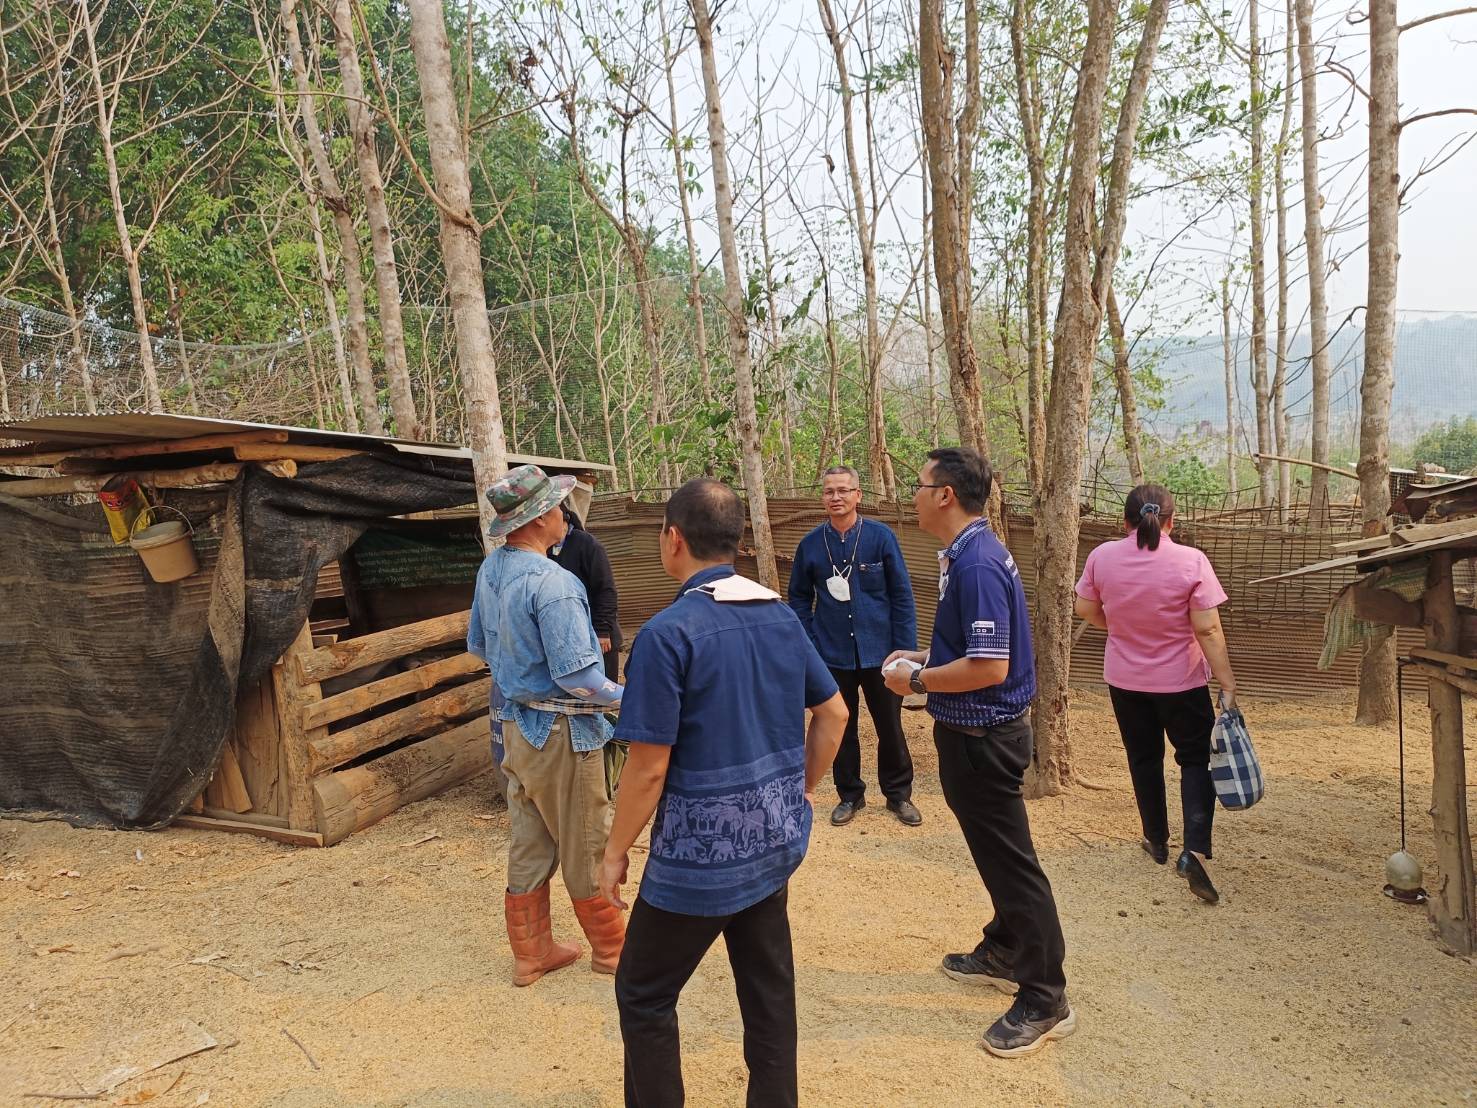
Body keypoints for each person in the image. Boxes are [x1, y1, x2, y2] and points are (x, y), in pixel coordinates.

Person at [599, 478, 848, 1108]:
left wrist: (614, 850)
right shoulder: (781, 617)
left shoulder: (667, 633)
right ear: (735, 541)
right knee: (769, 990)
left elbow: (649, 768)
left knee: (644, 991)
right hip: (772, 844)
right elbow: (835, 714)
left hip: (699, 862)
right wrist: (801, 790)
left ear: (672, 538)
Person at [883, 447, 1073, 1059]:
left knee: (1013, 862)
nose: (911, 494)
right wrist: (925, 660)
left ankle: (1046, 997)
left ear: (945, 495)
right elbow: (970, 650)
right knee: (994, 856)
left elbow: (990, 666)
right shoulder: (964, 554)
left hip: (986, 739)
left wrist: (915, 682)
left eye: (918, 485)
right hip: (969, 735)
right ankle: (1007, 947)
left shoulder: (978, 564)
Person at [467, 464, 627, 987]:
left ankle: (531, 954)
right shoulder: (554, 583)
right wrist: (630, 699)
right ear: (539, 519)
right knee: (586, 840)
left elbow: (479, 648)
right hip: (563, 734)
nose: (565, 514)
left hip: (515, 726)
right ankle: (613, 951)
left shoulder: (492, 572)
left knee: (530, 840)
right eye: (559, 506)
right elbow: (580, 677)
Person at [1073, 483, 1238, 905]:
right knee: (1195, 759)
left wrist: (1124, 628)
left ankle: (1156, 840)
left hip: (1125, 680)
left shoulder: (1101, 557)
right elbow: (1207, 628)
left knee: (1143, 757)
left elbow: (1086, 610)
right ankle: (1195, 850)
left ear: (1124, 521)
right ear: (1171, 520)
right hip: (1180, 682)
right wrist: (1227, 682)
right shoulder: (1192, 561)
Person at [788, 465, 921, 827]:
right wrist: (811, 642)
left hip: (882, 653)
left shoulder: (880, 538)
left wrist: (905, 655)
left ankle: (898, 795)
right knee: (839, 725)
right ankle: (850, 795)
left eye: (844, 490)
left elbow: (902, 596)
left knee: (889, 725)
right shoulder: (812, 545)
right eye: (829, 491)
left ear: (858, 495)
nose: (836, 497)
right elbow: (798, 598)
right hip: (831, 654)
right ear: (823, 497)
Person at [550, 503, 623, 680]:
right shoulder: (545, 549)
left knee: (604, 689)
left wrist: (602, 631)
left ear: (563, 520)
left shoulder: (587, 545)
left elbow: (606, 589)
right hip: (570, 635)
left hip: (598, 633)